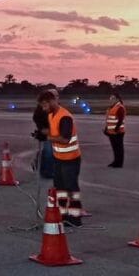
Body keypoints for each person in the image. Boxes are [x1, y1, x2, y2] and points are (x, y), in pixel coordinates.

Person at [38, 90, 83, 227]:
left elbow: (65, 139)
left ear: (52, 102)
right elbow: (54, 132)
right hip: (59, 158)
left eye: (45, 105)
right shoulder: (51, 115)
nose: (43, 108)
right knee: (60, 188)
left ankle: (75, 218)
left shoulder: (65, 117)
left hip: (71, 159)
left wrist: (47, 137)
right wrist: (41, 133)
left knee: (71, 188)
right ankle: (63, 214)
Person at [31, 89, 58, 179]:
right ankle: (46, 172)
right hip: (46, 133)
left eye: (57, 96)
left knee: (52, 152)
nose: (56, 98)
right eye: (55, 96)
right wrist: (42, 128)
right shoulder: (41, 108)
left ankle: (41, 165)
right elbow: (36, 117)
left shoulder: (57, 106)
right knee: (48, 151)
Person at [104, 91, 126, 167]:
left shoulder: (120, 107)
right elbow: (109, 120)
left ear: (117, 99)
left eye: (112, 98)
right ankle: (116, 161)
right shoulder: (112, 107)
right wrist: (106, 129)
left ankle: (119, 163)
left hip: (118, 132)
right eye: (110, 98)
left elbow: (120, 119)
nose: (111, 99)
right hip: (112, 132)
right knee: (115, 148)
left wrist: (116, 129)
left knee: (119, 148)